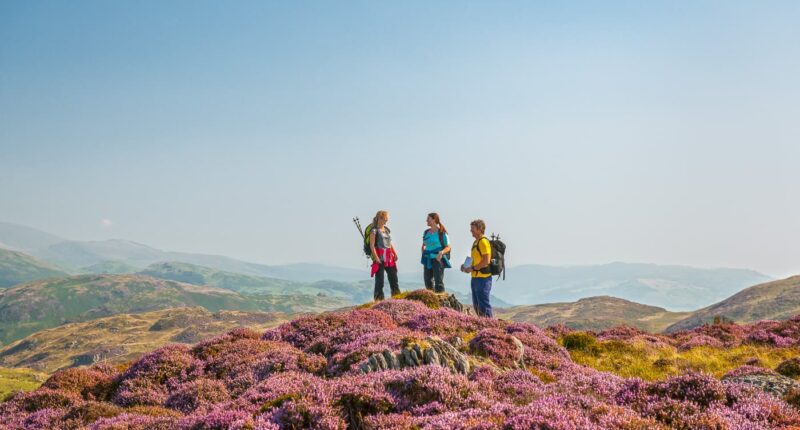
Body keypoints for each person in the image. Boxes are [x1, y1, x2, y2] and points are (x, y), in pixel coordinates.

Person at [461, 219, 493, 317]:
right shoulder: (476, 242)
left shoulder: (483, 242)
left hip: (483, 278)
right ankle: (483, 327)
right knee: (477, 306)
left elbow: (486, 260)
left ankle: (490, 328)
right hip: (475, 278)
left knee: (483, 305)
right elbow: (476, 258)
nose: (471, 231)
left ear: (479, 229)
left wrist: (473, 268)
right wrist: (465, 266)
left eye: (473, 229)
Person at [369, 210, 400, 300]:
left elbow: (390, 243)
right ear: (380, 218)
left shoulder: (386, 230)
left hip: (389, 257)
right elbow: (372, 245)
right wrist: (376, 258)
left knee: (394, 278)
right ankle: (378, 300)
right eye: (386, 218)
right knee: (380, 281)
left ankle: (397, 298)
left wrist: (395, 253)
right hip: (380, 257)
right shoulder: (374, 231)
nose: (387, 220)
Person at [420, 212, 452, 293]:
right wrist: (423, 249)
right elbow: (424, 244)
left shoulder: (442, 232)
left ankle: (441, 300)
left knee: (438, 281)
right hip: (427, 258)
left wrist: (441, 253)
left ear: (434, 220)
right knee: (427, 280)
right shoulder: (426, 232)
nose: (426, 220)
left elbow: (448, 247)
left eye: (428, 219)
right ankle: (431, 298)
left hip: (438, 258)